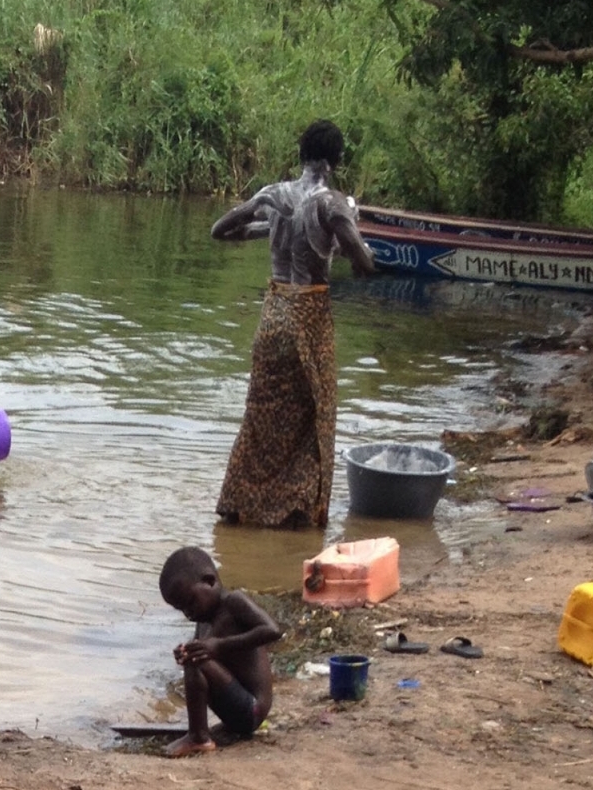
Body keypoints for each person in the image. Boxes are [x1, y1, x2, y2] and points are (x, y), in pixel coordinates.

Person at [211, 119, 376, 528]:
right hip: (308, 319)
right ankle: (296, 512)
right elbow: (363, 261)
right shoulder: (332, 203)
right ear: (333, 161)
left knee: (262, 415)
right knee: (313, 417)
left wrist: (264, 229)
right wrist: (355, 246)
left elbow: (221, 230)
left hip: (272, 317)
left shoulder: (273, 194)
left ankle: (240, 504)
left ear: (301, 156)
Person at [158, 546, 282, 758]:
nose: (189, 613)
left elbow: (272, 630)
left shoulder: (234, 602)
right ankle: (198, 732)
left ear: (210, 581)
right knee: (193, 656)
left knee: (196, 659)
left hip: (252, 710)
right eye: (182, 610)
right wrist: (185, 651)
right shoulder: (203, 620)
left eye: (190, 603)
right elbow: (206, 654)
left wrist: (218, 646)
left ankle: (198, 737)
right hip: (235, 713)